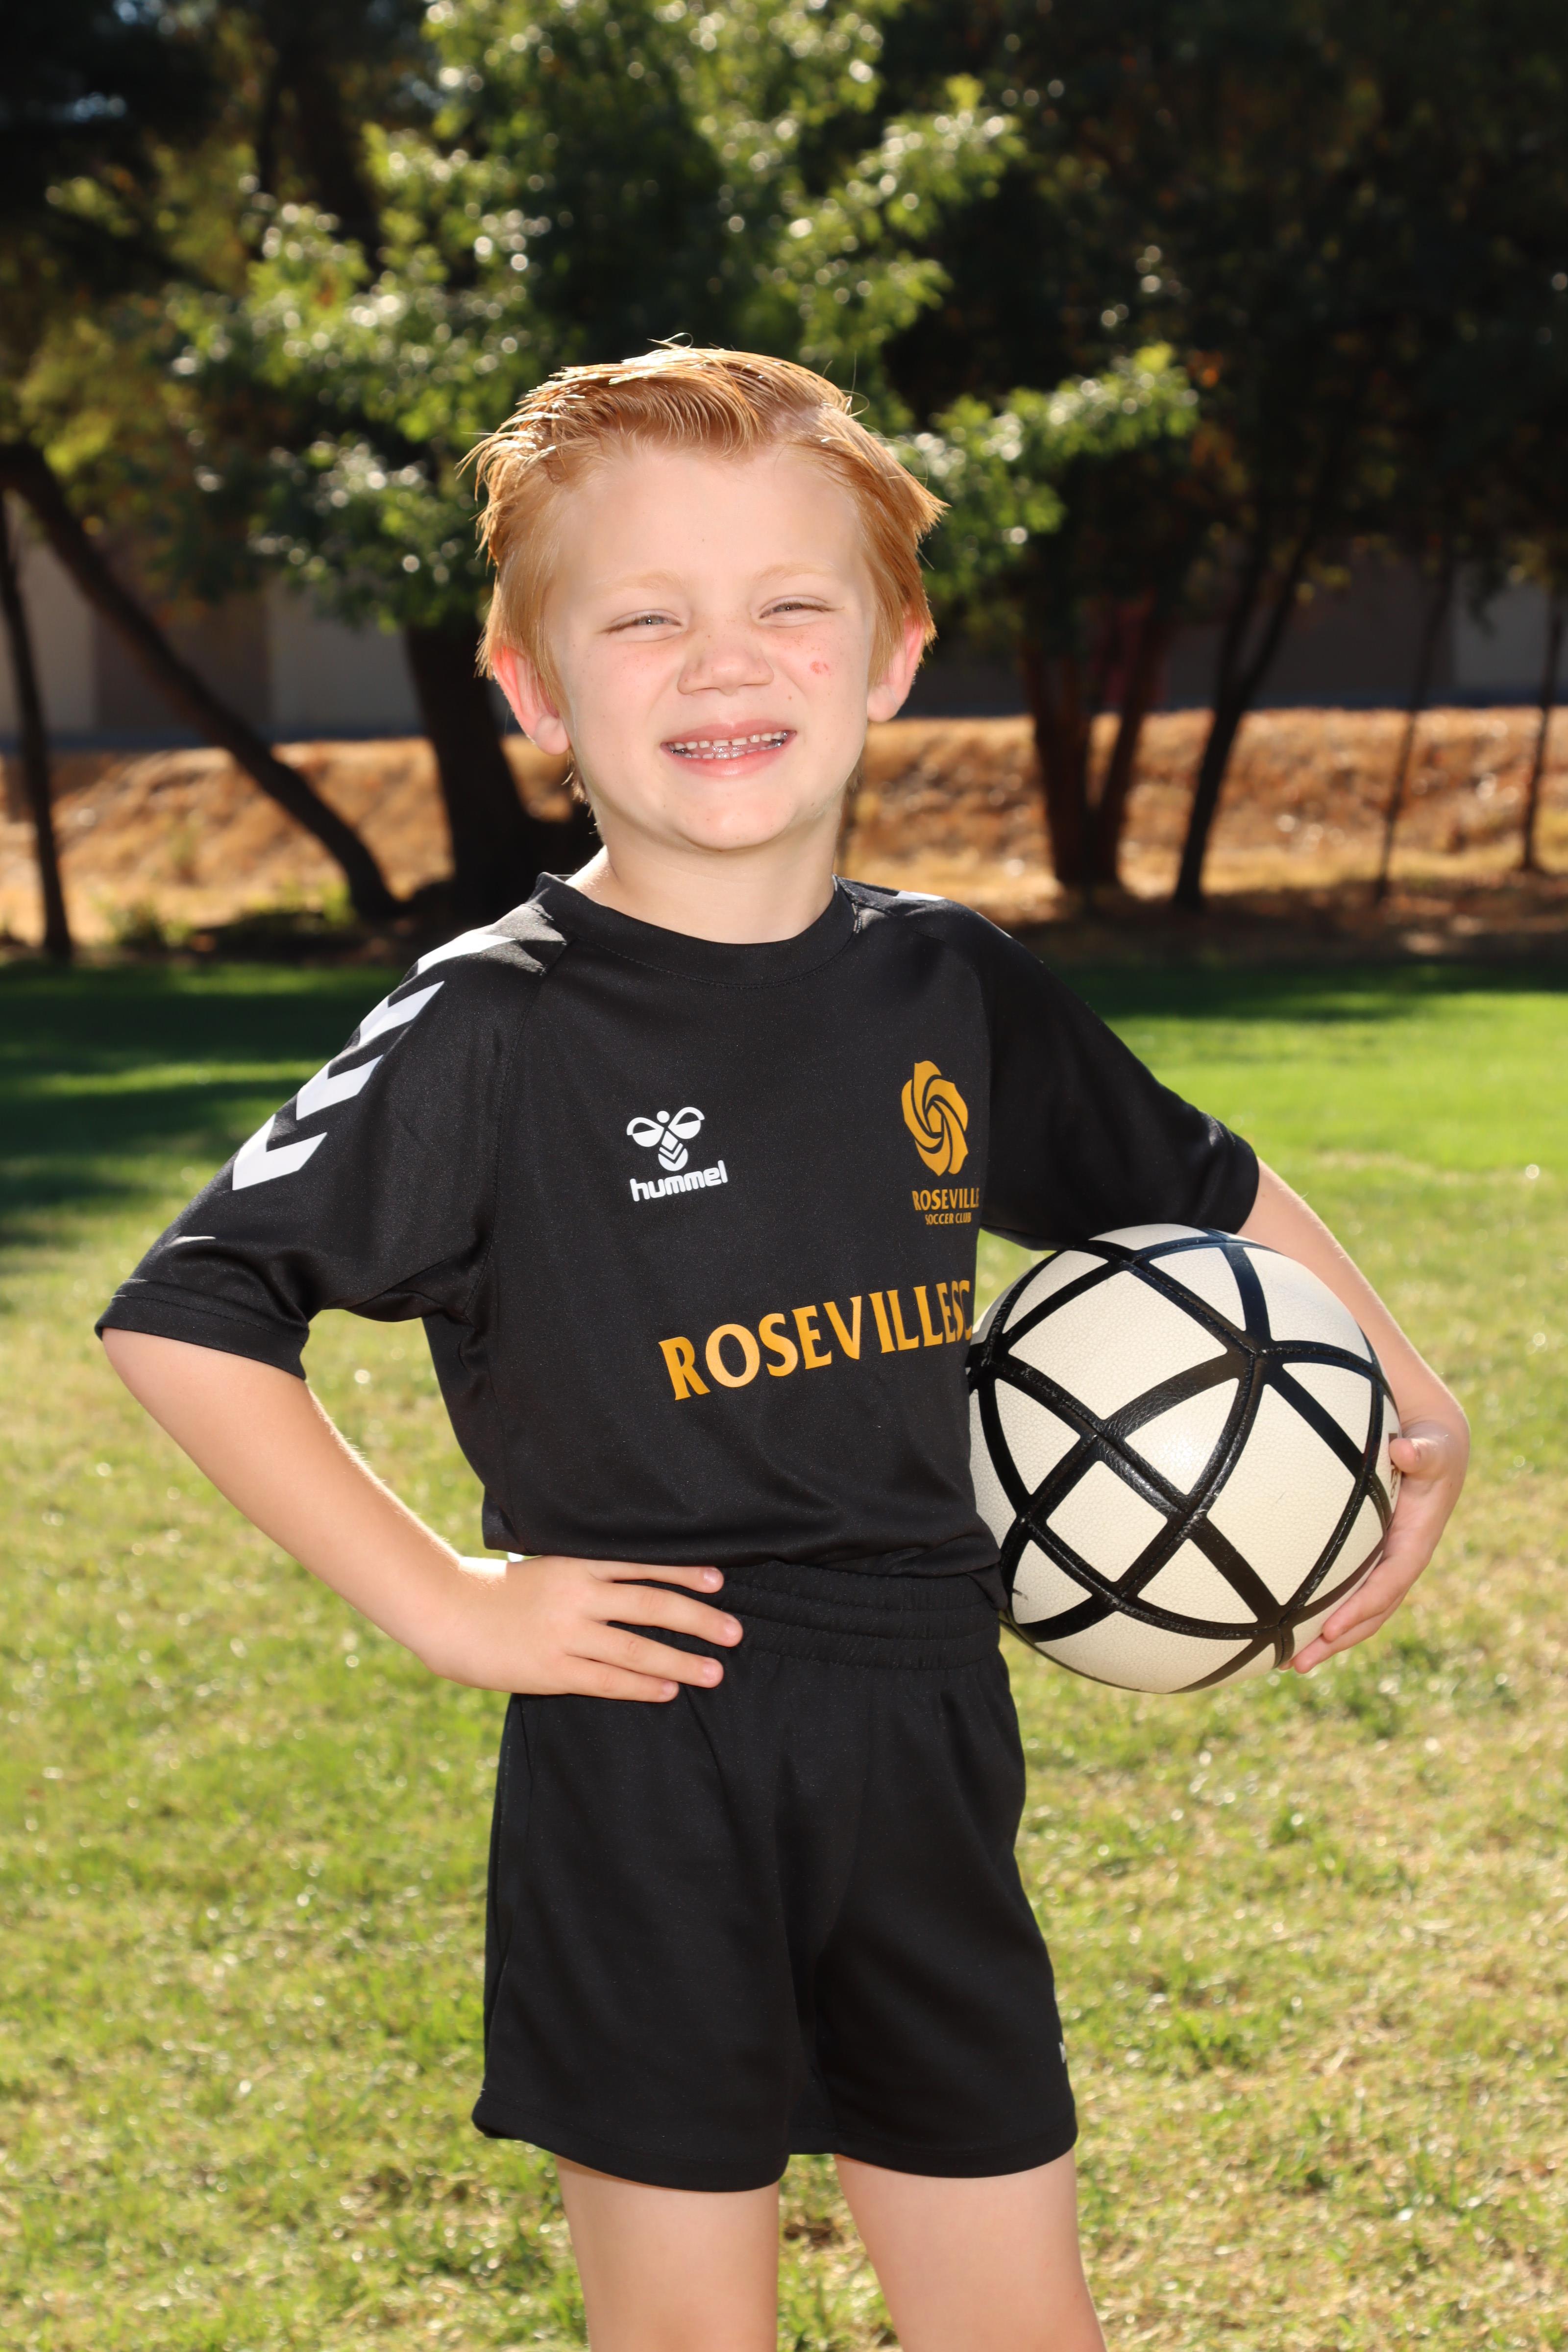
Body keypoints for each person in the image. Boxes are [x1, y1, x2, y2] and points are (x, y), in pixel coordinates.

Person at [97, 346, 1469, 2352]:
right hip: (651, 1742)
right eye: (644, 619)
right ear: (534, 691)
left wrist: (1409, 1402)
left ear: (891, 656)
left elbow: (1193, 1181)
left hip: (928, 1721)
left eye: (786, 605)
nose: (722, 663)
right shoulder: (496, 1021)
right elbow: (191, 1312)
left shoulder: (948, 983)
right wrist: (452, 1605)